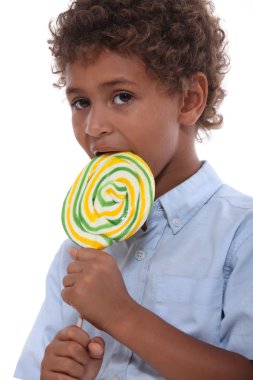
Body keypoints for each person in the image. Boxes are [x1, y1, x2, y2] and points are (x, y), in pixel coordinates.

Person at [15, 0, 253, 379]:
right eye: (81, 102)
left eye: (122, 96)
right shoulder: (78, 252)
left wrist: (121, 315)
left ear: (190, 99)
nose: (93, 126)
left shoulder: (242, 235)